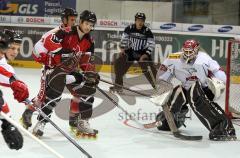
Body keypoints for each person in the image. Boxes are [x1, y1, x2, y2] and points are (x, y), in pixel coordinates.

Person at [22, 10, 99, 138]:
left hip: (71, 71)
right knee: (54, 94)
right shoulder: (66, 31)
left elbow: (86, 61)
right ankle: (41, 123)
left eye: (91, 25)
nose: (89, 27)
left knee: (88, 88)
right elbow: (48, 42)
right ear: (81, 22)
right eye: (87, 24)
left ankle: (82, 122)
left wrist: (90, 73)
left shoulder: (90, 41)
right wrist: (62, 51)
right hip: (54, 69)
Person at [155, 39, 236, 141]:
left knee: (195, 97)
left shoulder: (204, 59)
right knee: (176, 95)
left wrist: (220, 82)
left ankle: (224, 127)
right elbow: (164, 71)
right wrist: (161, 86)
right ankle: (169, 121)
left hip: (203, 88)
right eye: (186, 51)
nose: (188, 54)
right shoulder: (173, 58)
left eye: (190, 51)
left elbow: (217, 71)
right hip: (186, 86)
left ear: (197, 50)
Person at [20, 7, 78, 129]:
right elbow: (37, 49)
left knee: (77, 90)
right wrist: (48, 60)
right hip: (51, 70)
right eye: (72, 19)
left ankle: (74, 119)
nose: (74, 22)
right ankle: (28, 112)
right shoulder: (55, 33)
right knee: (43, 96)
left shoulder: (73, 34)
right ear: (64, 20)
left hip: (64, 70)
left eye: (75, 20)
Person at [109, 12, 157, 93]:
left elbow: (151, 44)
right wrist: (123, 49)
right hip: (131, 51)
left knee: (150, 70)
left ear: (144, 21)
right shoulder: (129, 28)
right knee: (118, 64)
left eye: (142, 20)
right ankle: (118, 86)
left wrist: (146, 54)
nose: (140, 22)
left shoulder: (147, 31)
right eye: (138, 20)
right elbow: (124, 40)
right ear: (135, 20)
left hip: (143, 52)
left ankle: (158, 88)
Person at [0, 29, 29, 149]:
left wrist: (7, 122)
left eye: (17, 49)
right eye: (12, 48)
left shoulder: (3, 62)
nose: (15, 52)